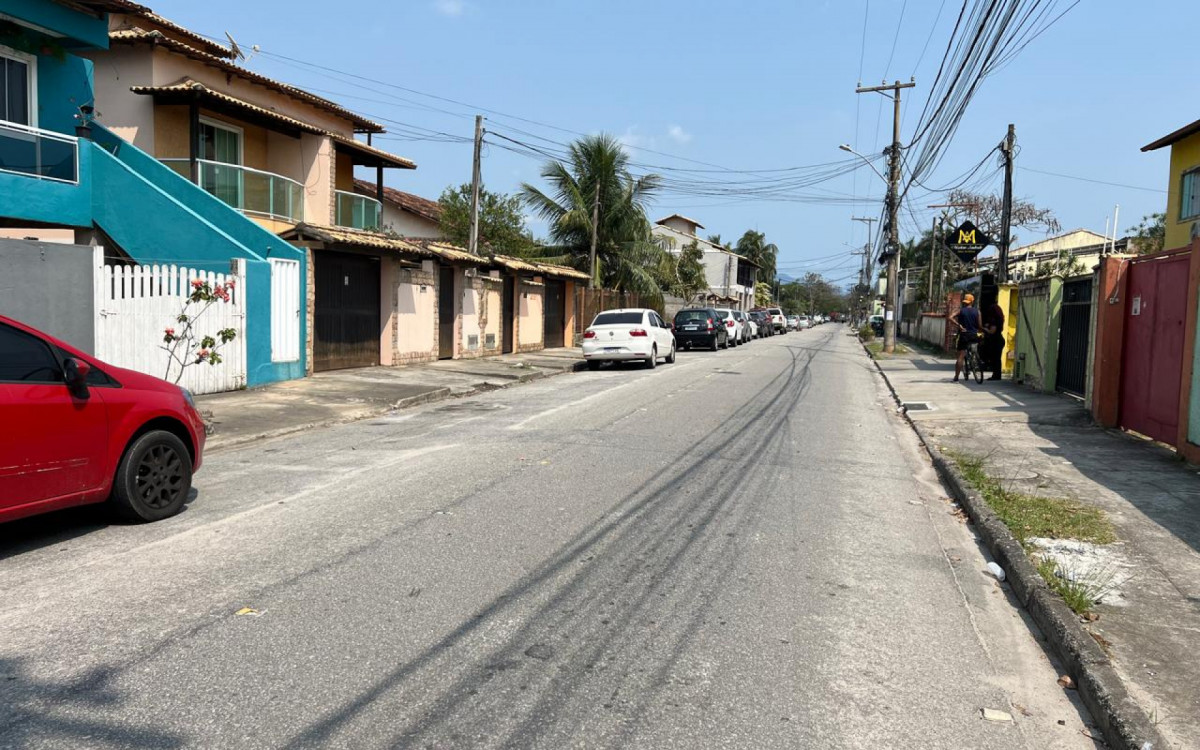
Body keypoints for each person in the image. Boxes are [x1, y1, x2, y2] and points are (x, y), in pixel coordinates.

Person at [948, 293, 981, 382]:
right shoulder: (977, 311)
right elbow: (979, 325)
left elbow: (950, 317)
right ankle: (974, 360)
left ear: (965, 302)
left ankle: (956, 377)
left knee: (960, 357)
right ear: (972, 301)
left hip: (964, 335)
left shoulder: (961, 311)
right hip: (974, 336)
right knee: (974, 349)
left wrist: (959, 325)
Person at [981, 299, 1006, 381]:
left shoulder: (993, 320)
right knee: (997, 358)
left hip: (996, 340)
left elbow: (992, 331)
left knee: (995, 358)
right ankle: (996, 375)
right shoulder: (999, 319)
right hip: (999, 339)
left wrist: (983, 328)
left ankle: (996, 375)